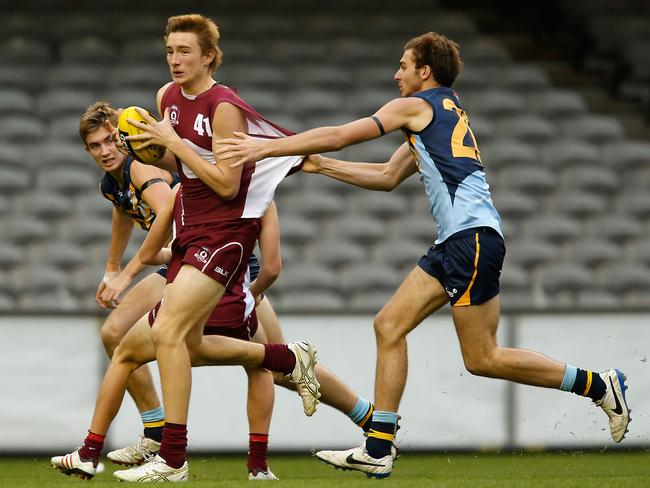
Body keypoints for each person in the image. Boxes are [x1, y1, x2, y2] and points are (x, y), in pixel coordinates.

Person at [215, 32, 631, 478]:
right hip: (461, 240)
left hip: (469, 240)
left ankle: (597, 385)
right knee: (389, 325)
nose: (396, 74)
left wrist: (267, 147)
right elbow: (388, 176)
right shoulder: (444, 113)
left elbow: (339, 135)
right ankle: (378, 447)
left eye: (403, 65)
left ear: (424, 71)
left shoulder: (417, 106)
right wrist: (319, 166)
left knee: (482, 358)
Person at [110, 13, 322, 481]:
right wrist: (146, 146)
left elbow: (227, 184)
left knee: (166, 334)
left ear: (209, 56)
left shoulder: (225, 106)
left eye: (184, 51)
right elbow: (176, 161)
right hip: (191, 229)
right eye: (169, 50)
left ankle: (173, 458)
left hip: (226, 229)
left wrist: (171, 142)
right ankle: (288, 358)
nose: (174, 59)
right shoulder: (165, 98)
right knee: (185, 343)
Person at [53, 187, 282, 481]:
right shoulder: (260, 194)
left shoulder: (182, 191)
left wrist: (132, 268)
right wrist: (255, 294)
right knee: (261, 367)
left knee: (126, 352)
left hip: (188, 298)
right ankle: (259, 466)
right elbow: (273, 268)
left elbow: (150, 253)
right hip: (235, 299)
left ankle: (98, 452)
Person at [80, 101, 179, 463]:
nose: (104, 151)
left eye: (110, 140)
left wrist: (129, 272)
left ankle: (156, 434)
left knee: (117, 334)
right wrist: (110, 267)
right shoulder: (113, 182)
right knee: (274, 362)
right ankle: (367, 421)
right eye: (94, 145)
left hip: (208, 261)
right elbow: (123, 210)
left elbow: (168, 205)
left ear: (123, 138)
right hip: (194, 263)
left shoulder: (140, 167)